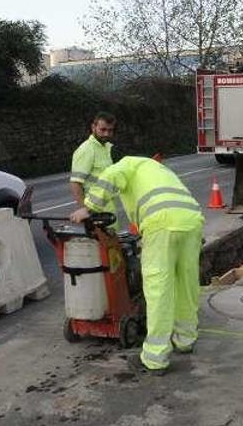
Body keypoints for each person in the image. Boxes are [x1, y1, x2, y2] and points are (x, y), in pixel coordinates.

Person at [69, 157, 204, 376]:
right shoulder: (158, 168)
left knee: (158, 289)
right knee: (186, 284)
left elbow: (110, 177)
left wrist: (89, 207)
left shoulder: (127, 163)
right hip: (192, 221)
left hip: (161, 224)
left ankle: (155, 358)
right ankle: (185, 340)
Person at [70, 112, 119, 221]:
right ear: (93, 127)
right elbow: (75, 183)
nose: (106, 134)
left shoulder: (105, 148)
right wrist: (85, 210)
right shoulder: (86, 149)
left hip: (107, 208)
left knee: (113, 236)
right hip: (95, 212)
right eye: (103, 129)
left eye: (110, 130)